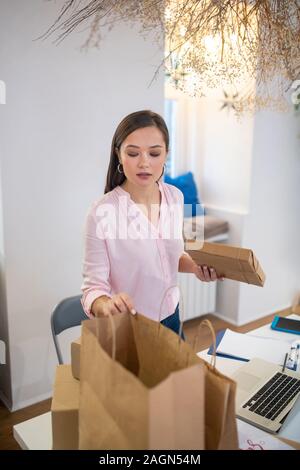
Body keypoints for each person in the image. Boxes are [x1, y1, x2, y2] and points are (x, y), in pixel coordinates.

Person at [81, 110, 221, 338]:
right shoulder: (101, 212)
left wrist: (196, 267)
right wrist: (105, 305)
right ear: (119, 154)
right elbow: (93, 289)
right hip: (130, 329)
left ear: (166, 154)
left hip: (172, 319)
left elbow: (170, 257)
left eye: (154, 153)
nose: (144, 163)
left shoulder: (176, 197)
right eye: (133, 153)